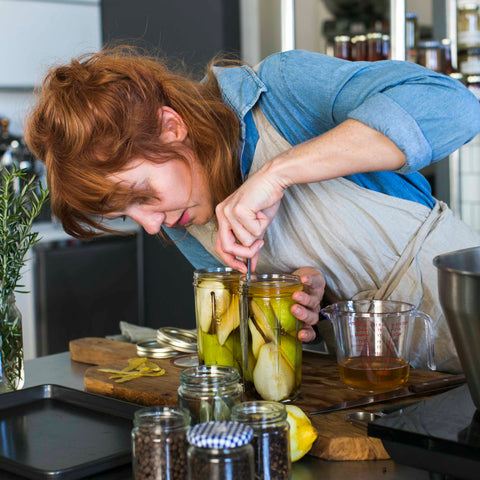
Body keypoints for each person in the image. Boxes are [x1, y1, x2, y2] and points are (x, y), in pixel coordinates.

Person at [25, 47, 480, 373]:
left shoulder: (279, 91)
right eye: (126, 213)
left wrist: (277, 173)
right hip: (387, 388)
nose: (150, 225)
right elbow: (283, 347)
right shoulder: (188, 225)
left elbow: (454, 107)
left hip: (466, 320)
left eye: (141, 194)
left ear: (170, 126)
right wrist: (315, 306)